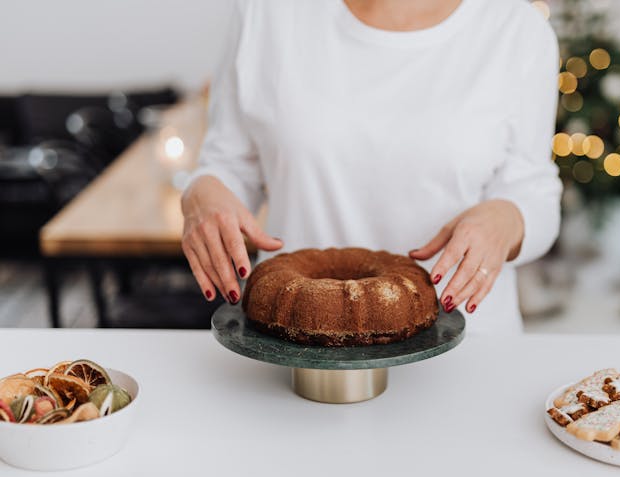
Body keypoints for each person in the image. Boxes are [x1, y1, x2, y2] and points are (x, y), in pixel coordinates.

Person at [181, 0, 562, 335]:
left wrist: (505, 219)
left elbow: (532, 189)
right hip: (294, 347)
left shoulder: (517, 29)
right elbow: (229, 164)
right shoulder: (266, 12)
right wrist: (202, 191)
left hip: (465, 350)